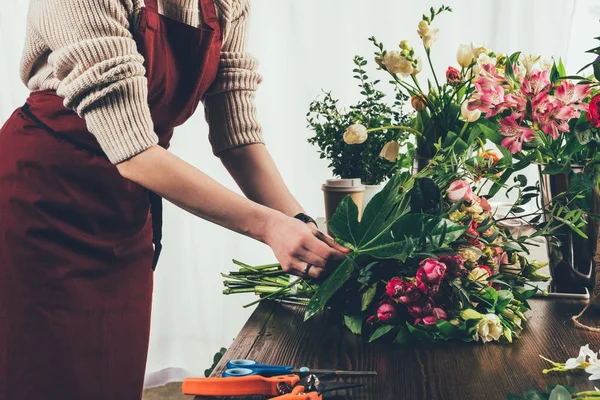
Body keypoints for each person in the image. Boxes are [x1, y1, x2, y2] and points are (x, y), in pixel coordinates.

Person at [0, 1, 349, 399]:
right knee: (42, 376)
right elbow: (131, 148)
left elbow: (237, 136)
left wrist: (302, 223)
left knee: (113, 375)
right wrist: (269, 226)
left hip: (124, 210)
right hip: (42, 203)